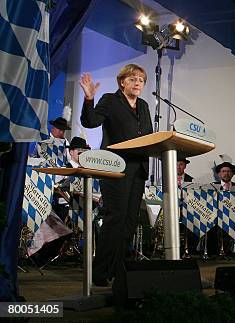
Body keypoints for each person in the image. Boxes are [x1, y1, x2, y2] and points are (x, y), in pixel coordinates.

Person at [79, 64, 153, 294]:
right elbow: (90, 121)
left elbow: (148, 136)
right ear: (122, 82)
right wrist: (89, 99)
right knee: (115, 219)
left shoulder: (144, 105)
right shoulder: (111, 100)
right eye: (133, 79)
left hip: (138, 168)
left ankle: (118, 270)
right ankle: (100, 272)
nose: (138, 83)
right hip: (116, 167)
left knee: (130, 221)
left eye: (141, 79)